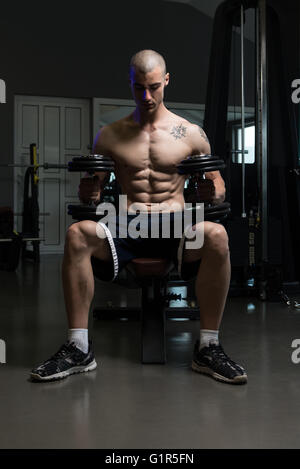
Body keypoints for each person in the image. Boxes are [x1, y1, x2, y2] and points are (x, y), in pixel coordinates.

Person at [30, 50, 247, 384]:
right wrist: (90, 193)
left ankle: (208, 347)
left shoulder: (190, 133)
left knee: (217, 234)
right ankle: (78, 347)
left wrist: (213, 193)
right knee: (77, 233)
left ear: (167, 82)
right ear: (130, 84)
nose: (147, 96)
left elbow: (216, 185)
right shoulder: (110, 134)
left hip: (175, 223)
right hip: (127, 222)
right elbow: (94, 188)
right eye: (139, 88)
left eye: (154, 87)